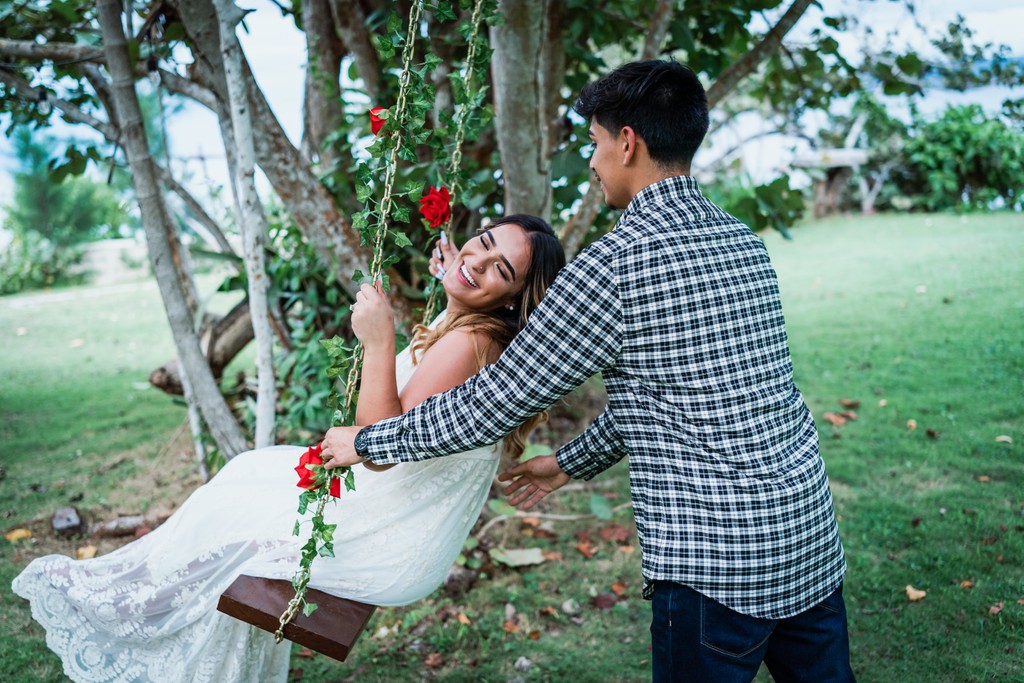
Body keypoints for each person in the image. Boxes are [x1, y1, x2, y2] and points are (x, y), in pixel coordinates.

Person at [323, 60, 855, 682]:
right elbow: (684, 393)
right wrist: (567, 463)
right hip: (806, 532)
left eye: (598, 144)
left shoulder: (616, 264)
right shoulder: (744, 242)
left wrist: (369, 440)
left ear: (627, 142)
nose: (597, 161)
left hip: (716, 566)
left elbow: (498, 398)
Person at [11, 214, 566, 683]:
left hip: (391, 528)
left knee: (234, 505)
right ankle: (143, 601)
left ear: (516, 300)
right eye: (485, 241)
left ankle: (133, 605)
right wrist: (456, 275)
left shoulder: (471, 342)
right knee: (249, 475)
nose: (479, 261)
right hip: (402, 514)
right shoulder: (480, 331)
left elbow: (381, 445)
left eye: (502, 270)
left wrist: (380, 341)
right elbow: (424, 399)